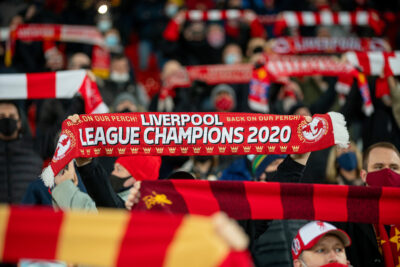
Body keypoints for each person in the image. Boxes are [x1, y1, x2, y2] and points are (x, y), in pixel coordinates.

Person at [334, 141, 400, 267]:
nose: (387, 173)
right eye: (379, 167)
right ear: (364, 176)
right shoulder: (347, 216)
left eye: (394, 168)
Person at [0, 101, 43, 203]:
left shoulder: (36, 146)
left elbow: (63, 130)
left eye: (11, 116)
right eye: (1, 117)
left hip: (28, 217)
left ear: (19, 123)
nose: (7, 119)